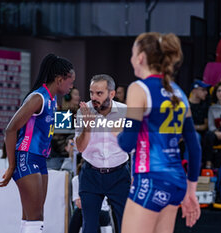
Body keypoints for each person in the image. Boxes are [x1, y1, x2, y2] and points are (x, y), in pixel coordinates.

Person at [117, 32, 201, 233]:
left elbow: (127, 142)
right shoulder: (178, 92)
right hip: (176, 183)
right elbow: (194, 147)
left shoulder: (139, 89)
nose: (130, 60)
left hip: (151, 179)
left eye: (132, 54)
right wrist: (191, 192)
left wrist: (114, 130)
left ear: (140, 58)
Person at [0, 54, 75, 233]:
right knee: (35, 217)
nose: (71, 86)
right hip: (26, 157)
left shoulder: (54, 99)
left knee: (34, 216)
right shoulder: (38, 98)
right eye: (70, 81)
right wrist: (11, 166)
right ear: (59, 79)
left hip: (40, 159)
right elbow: (10, 129)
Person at [75, 74, 130, 233]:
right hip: (90, 174)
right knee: (89, 227)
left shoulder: (126, 112)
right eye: (92, 93)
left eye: (99, 93)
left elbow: (133, 146)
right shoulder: (83, 112)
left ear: (111, 94)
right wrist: (87, 127)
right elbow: (80, 148)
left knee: (124, 226)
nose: (94, 97)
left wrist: (119, 132)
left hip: (119, 175)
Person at [69, 160, 111, 233]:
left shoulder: (101, 179)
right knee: (80, 213)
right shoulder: (76, 180)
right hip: (83, 210)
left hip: (102, 212)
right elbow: (78, 204)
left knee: (91, 213)